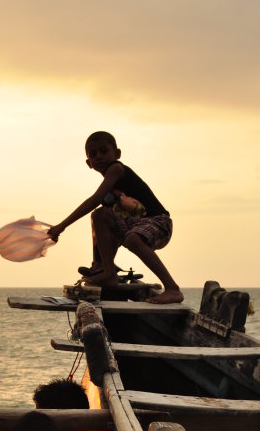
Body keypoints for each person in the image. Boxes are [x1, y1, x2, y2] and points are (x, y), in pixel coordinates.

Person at [47, 131, 183, 305]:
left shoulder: (116, 169)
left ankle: (172, 288)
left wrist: (62, 226)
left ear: (117, 154)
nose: (99, 157)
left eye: (104, 151)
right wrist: (99, 264)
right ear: (89, 163)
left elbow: (93, 199)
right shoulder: (109, 196)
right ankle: (106, 270)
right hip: (136, 225)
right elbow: (106, 227)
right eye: (93, 154)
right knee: (100, 215)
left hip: (159, 223)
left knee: (131, 238)